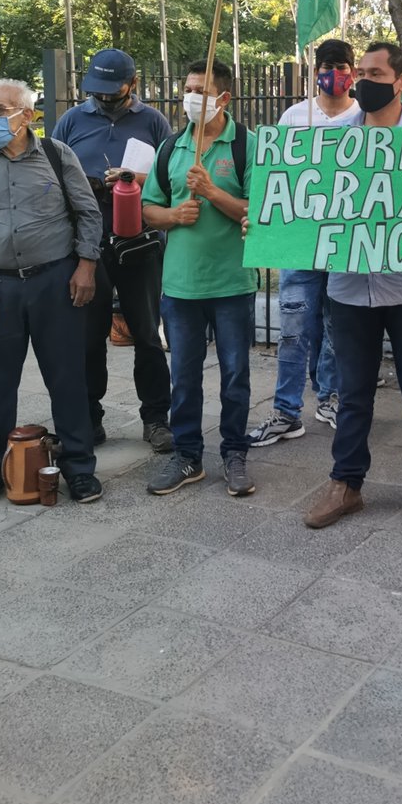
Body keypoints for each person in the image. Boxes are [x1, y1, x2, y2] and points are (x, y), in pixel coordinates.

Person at [302, 42, 402, 533]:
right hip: (348, 289)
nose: (362, 80)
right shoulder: (329, 143)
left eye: (375, 72)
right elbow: (305, 208)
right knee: (353, 394)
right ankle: (345, 485)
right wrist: (267, 228)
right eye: (360, 72)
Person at [0, 80, 103, 512]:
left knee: (68, 379)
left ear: (26, 115)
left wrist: (86, 266)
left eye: (0, 109)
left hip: (57, 282)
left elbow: (89, 212)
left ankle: (80, 469)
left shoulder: (56, 156)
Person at [141, 61, 256, 498]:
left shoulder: (245, 144)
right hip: (180, 286)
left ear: (223, 98)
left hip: (232, 283)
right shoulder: (171, 147)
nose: (190, 97)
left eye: (200, 90)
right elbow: (149, 209)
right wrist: (172, 215)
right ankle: (187, 455)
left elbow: (259, 210)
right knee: (184, 377)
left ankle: (235, 454)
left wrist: (212, 193)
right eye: (187, 89)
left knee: (235, 375)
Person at [50, 47, 173, 451]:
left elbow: (171, 179)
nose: (103, 97)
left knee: (146, 335)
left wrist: (134, 177)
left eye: (112, 89)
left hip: (141, 244)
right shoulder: (71, 121)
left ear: (132, 84)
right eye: (96, 90)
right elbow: (51, 176)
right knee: (88, 337)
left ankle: (155, 418)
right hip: (87, 247)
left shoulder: (153, 121)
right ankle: (89, 417)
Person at [249, 38, 356, 444]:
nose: (335, 74)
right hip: (299, 242)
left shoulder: (365, 116)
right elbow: (274, 176)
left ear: (353, 72)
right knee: (293, 327)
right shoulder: (294, 116)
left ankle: (331, 397)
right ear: (316, 72)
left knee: (339, 324)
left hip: (347, 242)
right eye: (327, 66)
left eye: (342, 66)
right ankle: (286, 410)